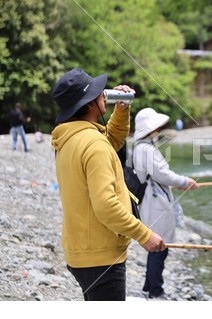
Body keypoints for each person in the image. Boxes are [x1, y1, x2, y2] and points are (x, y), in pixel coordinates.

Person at [51, 68, 166, 301]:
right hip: (100, 257)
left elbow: (110, 142)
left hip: (81, 250)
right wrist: (144, 235)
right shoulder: (93, 144)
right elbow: (106, 205)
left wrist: (121, 111)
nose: (103, 95)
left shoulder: (70, 138)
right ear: (90, 104)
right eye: (98, 93)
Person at [133, 108, 199, 299]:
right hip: (155, 202)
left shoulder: (141, 147)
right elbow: (162, 174)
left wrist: (178, 184)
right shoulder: (146, 149)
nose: (159, 129)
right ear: (149, 129)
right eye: (156, 126)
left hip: (152, 198)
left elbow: (157, 175)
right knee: (160, 246)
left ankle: (148, 285)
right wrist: (185, 182)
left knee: (156, 245)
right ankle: (156, 291)